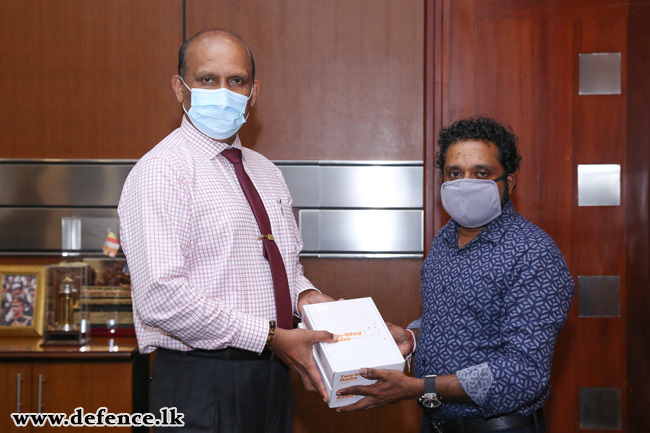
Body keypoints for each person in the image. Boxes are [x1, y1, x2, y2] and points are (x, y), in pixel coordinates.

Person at [118, 28, 337, 433]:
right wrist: (269, 336)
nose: (223, 91)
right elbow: (161, 297)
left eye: (235, 80)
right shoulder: (160, 171)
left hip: (271, 377)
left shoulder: (265, 171)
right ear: (179, 88)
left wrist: (306, 297)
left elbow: (281, 269)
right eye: (207, 79)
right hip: (199, 383)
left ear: (253, 92)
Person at [337, 117, 574, 433]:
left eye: (481, 173)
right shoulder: (444, 239)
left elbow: (523, 373)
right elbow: (460, 322)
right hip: (434, 423)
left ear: (510, 181)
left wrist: (420, 387)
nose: (466, 182)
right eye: (454, 173)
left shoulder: (533, 252)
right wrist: (412, 338)